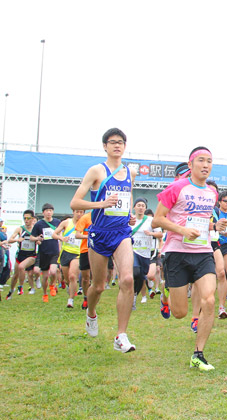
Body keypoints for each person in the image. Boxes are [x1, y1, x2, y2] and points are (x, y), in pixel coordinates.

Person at [69, 128, 138, 353]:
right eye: (112, 142)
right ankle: (91, 313)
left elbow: (128, 196)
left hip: (121, 234)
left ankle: (121, 335)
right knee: (97, 286)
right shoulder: (97, 171)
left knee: (127, 279)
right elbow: (75, 203)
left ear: (125, 146)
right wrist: (102, 204)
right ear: (105, 146)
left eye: (121, 142)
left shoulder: (130, 172)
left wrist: (129, 214)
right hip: (99, 234)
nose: (117, 146)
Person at [153, 146, 219, 371]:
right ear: (190, 165)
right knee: (179, 313)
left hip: (202, 253)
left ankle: (198, 354)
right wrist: (181, 231)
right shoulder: (176, 188)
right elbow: (157, 220)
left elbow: (200, 220)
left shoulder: (212, 193)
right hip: (176, 252)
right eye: (201, 160)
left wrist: (213, 227)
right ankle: (166, 296)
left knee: (209, 300)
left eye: (209, 161)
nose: (205, 165)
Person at [130, 198, 162, 310]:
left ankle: (134, 296)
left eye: (143, 205)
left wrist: (151, 233)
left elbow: (160, 234)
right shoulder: (130, 220)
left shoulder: (150, 220)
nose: (140, 207)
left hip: (146, 253)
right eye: (138, 205)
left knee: (142, 276)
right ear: (134, 207)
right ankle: (132, 296)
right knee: (136, 272)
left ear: (145, 208)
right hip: (133, 251)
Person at [52, 209, 85, 308]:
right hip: (65, 253)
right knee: (67, 279)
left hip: (78, 254)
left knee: (72, 276)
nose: (79, 214)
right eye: (77, 212)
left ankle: (70, 300)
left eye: (81, 212)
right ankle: (68, 286)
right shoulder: (66, 222)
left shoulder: (85, 223)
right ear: (73, 212)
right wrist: (61, 238)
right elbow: (54, 234)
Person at [29, 203, 61, 302]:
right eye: (47, 211)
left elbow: (60, 233)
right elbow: (31, 237)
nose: (48, 212)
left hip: (54, 251)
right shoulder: (39, 224)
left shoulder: (57, 222)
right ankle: (45, 293)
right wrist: (37, 238)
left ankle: (52, 285)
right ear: (43, 212)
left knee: (53, 271)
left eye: (50, 210)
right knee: (45, 275)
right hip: (43, 252)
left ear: (53, 212)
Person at [6, 210, 38, 298]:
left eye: (28, 218)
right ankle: (11, 291)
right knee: (15, 275)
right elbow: (10, 240)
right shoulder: (20, 229)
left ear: (32, 219)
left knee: (22, 267)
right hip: (20, 255)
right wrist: (17, 240)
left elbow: (40, 241)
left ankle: (21, 287)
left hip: (31, 255)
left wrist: (36, 240)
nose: (26, 220)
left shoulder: (36, 229)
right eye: (25, 218)